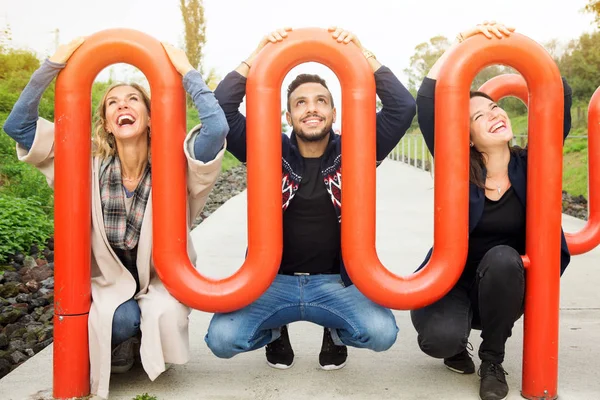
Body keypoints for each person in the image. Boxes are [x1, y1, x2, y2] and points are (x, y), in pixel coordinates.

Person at [2, 37, 228, 399]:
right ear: (106, 122)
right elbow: (19, 127)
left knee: (159, 316)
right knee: (121, 319)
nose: (123, 105)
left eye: (133, 99)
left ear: (150, 116)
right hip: (107, 286)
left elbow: (216, 130)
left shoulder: (174, 168)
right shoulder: (84, 165)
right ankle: (127, 337)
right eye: (113, 102)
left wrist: (186, 71)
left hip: (159, 283)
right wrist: (53, 65)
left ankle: (141, 340)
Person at [205, 27, 416, 370]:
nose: (311, 109)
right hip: (271, 281)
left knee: (381, 333)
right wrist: (256, 57)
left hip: (335, 282)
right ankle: (274, 331)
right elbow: (221, 111)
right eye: (300, 103)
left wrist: (363, 54)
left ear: (334, 112)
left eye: (320, 101)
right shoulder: (268, 149)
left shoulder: (357, 148)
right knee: (222, 340)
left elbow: (402, 107)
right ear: (288, 117)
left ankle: (334, 331)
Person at [410, 22, 572, 400]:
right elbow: (428, 100)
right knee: (437, 339)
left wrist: (519, 44)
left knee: (502, 258)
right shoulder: (457, 167)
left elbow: (557, 93)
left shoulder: (534, 165)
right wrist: (464, 44)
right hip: (451, 285)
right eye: (480, 116)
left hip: (504, 285)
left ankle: (493, 359)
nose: (495, 114)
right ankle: (456, 344)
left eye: (496, 106)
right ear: (465, 135)